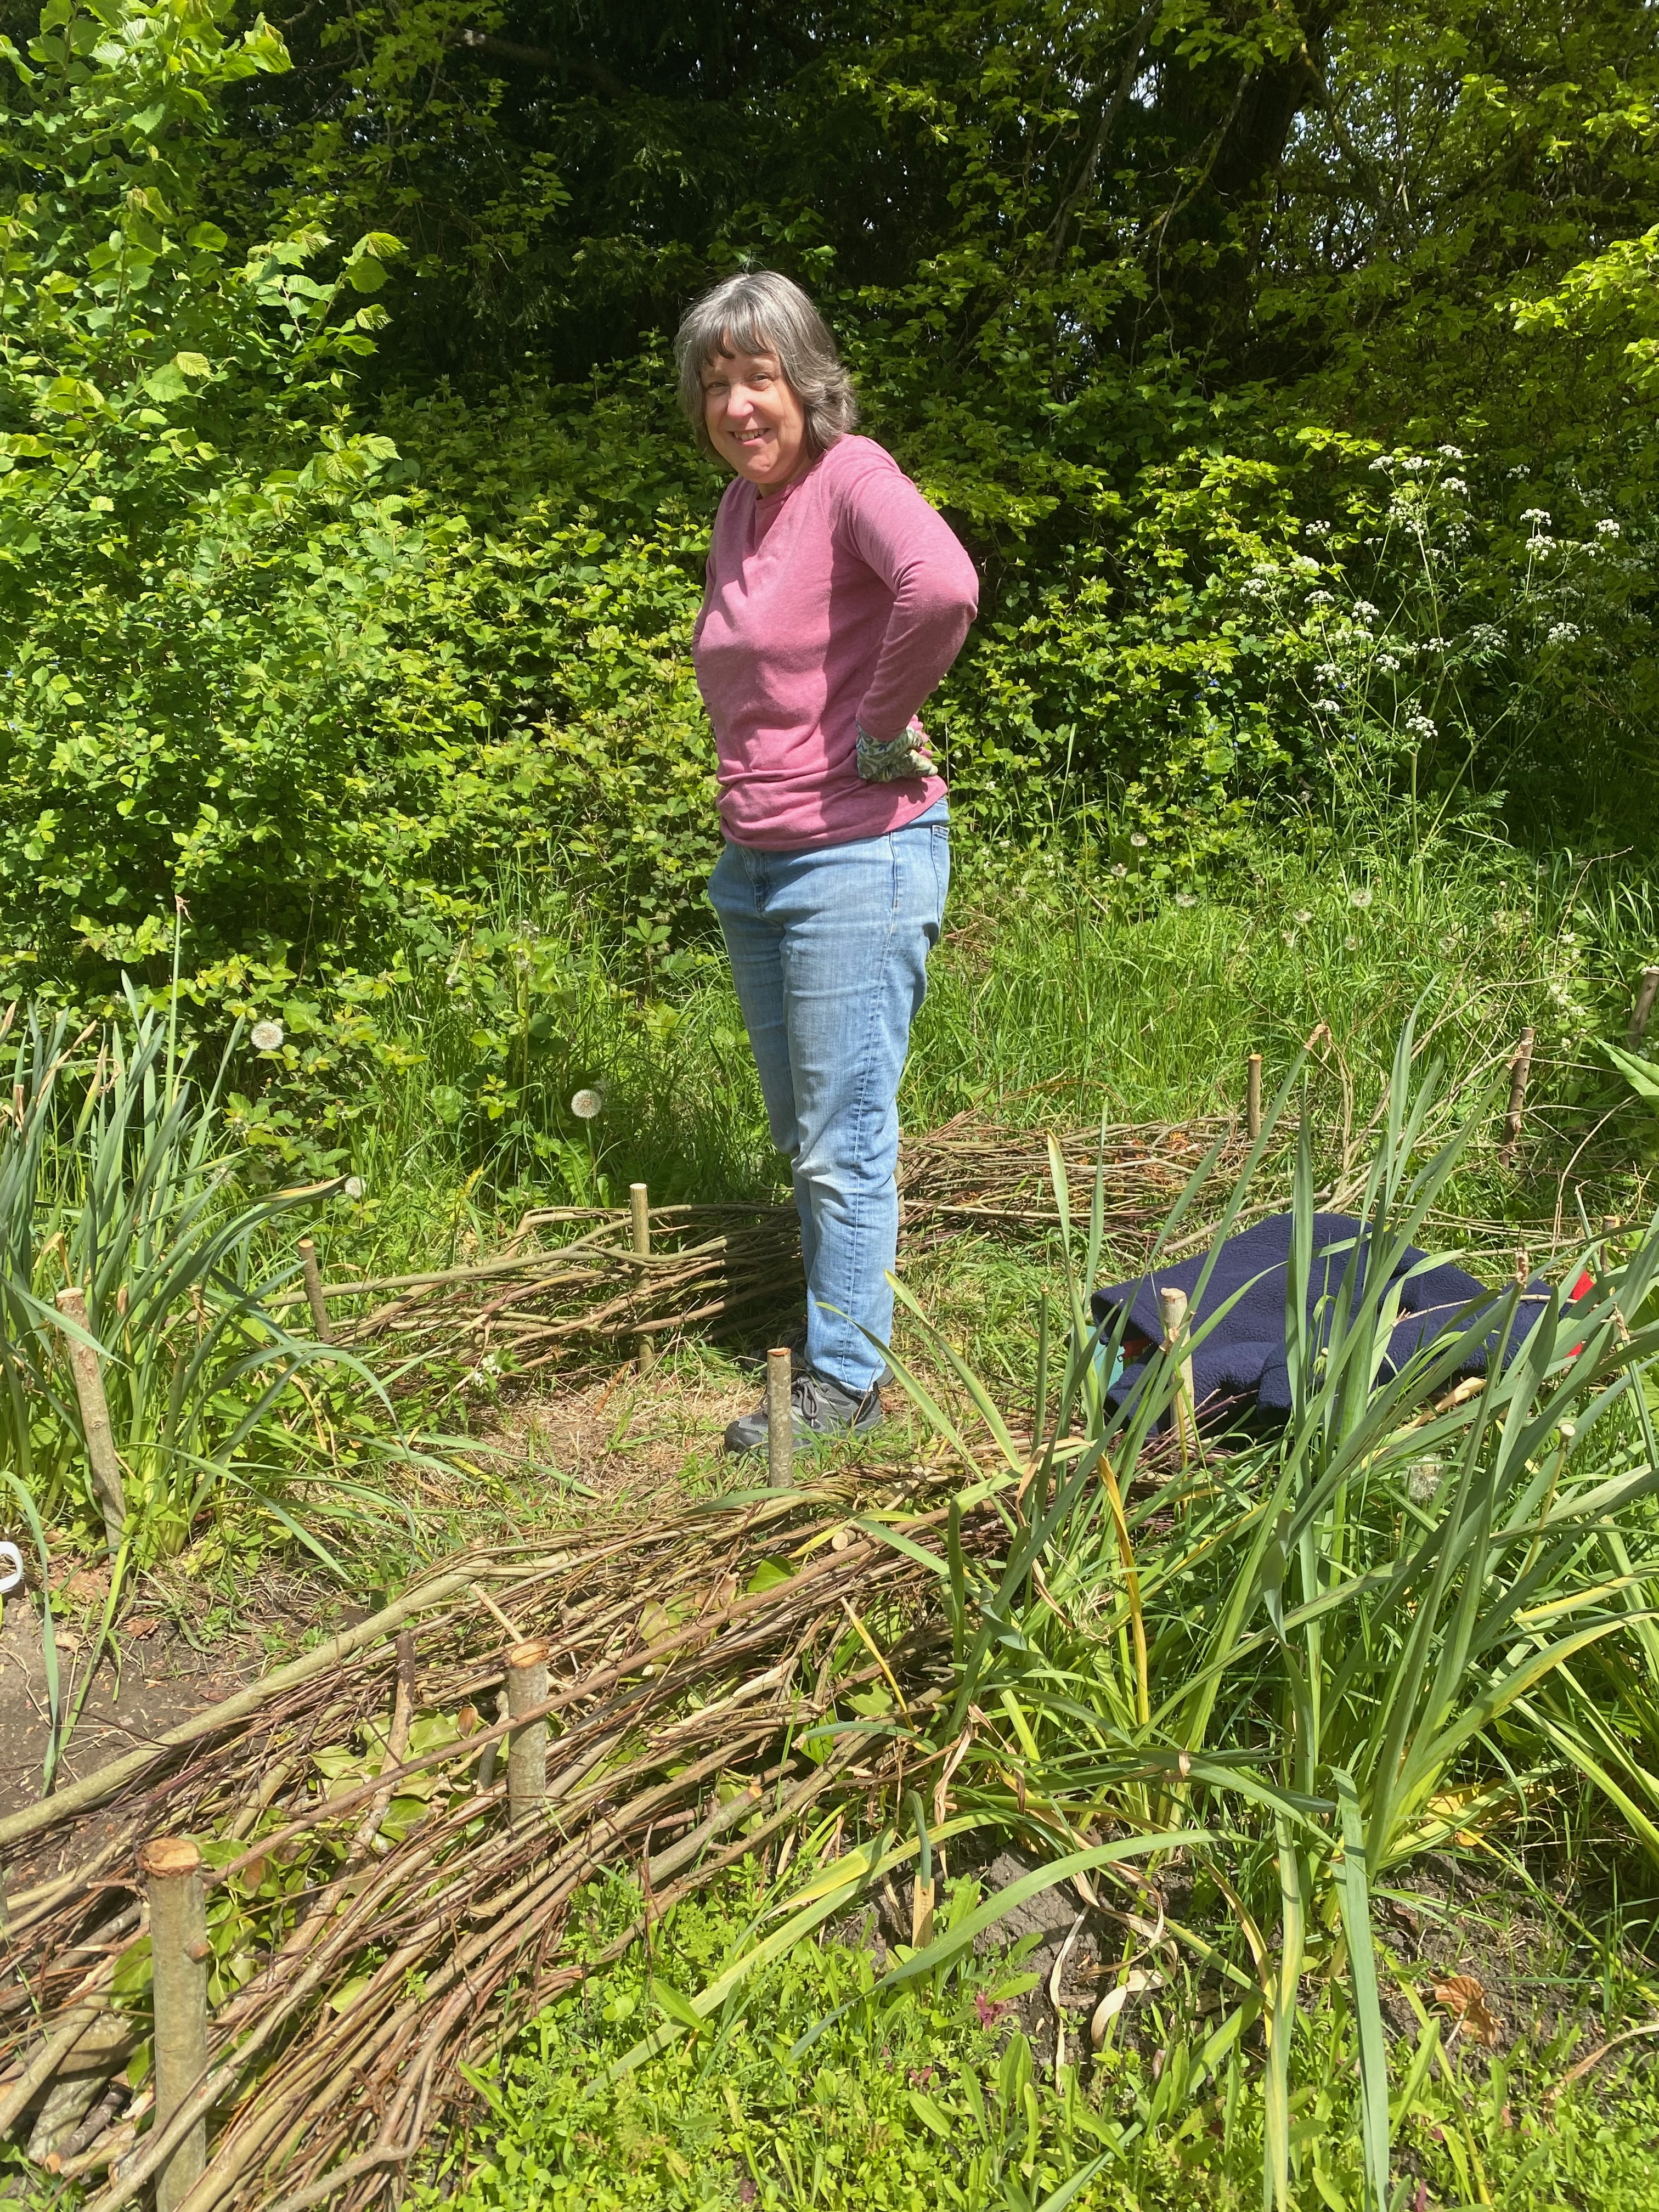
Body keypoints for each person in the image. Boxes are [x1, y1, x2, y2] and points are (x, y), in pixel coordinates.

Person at [675, 268, 979, 1454]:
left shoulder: (854, 476)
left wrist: (876, 725)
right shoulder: (739, 514)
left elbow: (942, 587)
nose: (739, 406)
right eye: (716, 386)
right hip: (756, 862)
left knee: (844, 1136)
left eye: (759, 377)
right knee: (808, 1129)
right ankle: (829, 1311)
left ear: (806, 380)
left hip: (858, 856)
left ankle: (845, 1387)